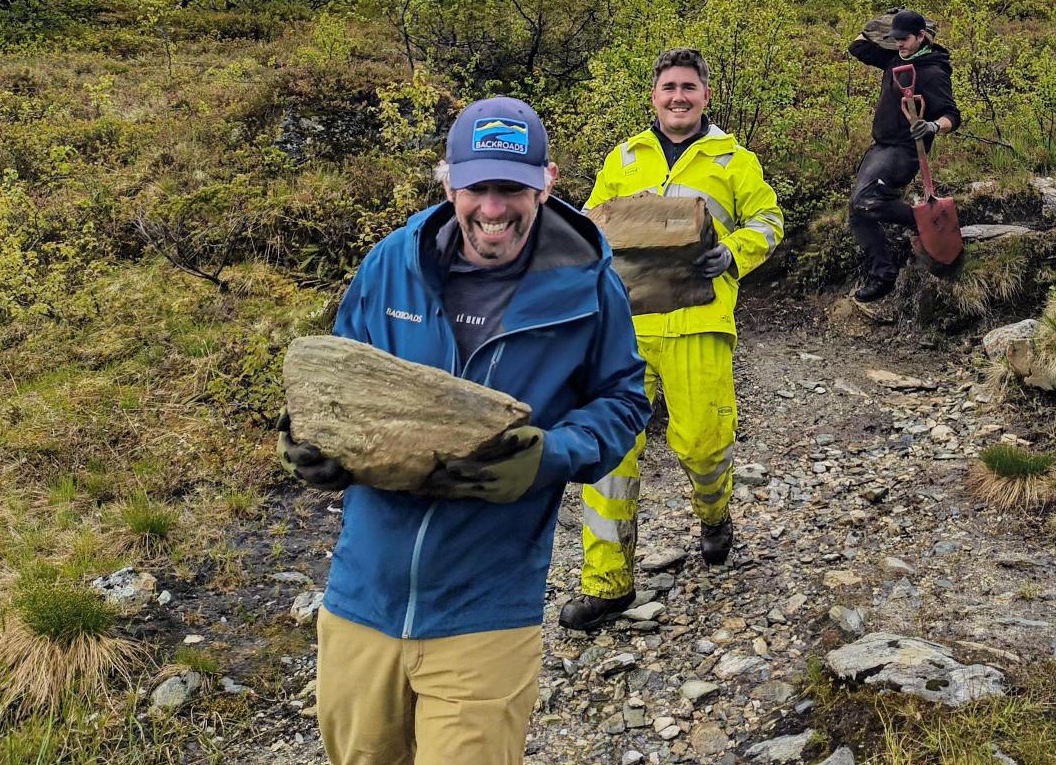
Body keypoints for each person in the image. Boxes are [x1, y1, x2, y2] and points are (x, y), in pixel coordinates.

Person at [277, 96, 649, 765]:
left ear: (548, 181)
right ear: (448, 179)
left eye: (513, 188)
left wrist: (551, 456)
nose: (493, 208)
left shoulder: (590, 287)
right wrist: (310, 439)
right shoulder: (392, 262)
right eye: (478, 187)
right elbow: (338, 379)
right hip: (363, 594)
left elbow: (624, 401)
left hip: (487, 605)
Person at [558, 47, 785, 632]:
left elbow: (768, 221)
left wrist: (732, 252)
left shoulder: (735, 160)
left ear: (706, 95)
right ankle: (607, 585)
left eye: (689, 87)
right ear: (654, 96)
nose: (678, 97)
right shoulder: (626, 155)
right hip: (625, 331)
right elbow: (590, 224)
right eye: (668, 88)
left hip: (699, 323)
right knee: (610, 452)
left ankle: (714, 517)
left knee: (704, 446)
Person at [846, 9, 960, 303]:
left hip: (905, 151)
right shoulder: (895, 59)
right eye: (895, 39)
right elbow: (858, 46)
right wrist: (882, 22)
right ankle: (882, 274)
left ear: (922, 37)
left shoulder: (933, 71)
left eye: (905, 39)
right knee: (857, 209)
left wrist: (933, 125)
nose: (899, 44)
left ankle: (923, 222)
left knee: (866, 201)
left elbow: (952, 116)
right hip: (881, 146)